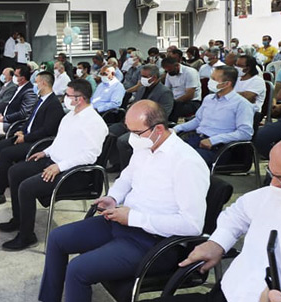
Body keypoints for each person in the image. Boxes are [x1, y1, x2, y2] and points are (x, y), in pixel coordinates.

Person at [39, 100, 210, 302]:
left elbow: (192, 225)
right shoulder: (146, 146)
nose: (131, 138)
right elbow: (126, 178)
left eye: (136, 133)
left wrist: (133, 218)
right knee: (57, 238)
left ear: (158, 129)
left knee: (78, 269)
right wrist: (113, 197)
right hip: (122, 221)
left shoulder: (186, 162)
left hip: (154, 242)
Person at [153, 134, 281, 302]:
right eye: (272, 174)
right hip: (224, 294)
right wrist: (218, 242)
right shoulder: (274, 196)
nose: (273, 186)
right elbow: (238, 213)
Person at [0, 79, 108, 251]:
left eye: (67, 95)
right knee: (15, 171)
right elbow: (60, 142)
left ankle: (27, 236)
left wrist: (60, 167)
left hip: (74, 173)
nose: (64, 98)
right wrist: (45, 152)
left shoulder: (94, 123)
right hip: (55, 162)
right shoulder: (70, 116)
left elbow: (90, 156)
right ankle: (18, 220)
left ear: (79, 99)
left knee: (26, 187)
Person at [0, 71, 64, 207]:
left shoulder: (53, 104)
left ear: (43, 83)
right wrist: (22, 131)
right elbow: (30, 119)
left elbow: (47, 130)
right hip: (28, 136)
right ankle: (6, 178)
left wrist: (25, 137)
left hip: (38, 142)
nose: (35, 85)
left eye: (36, 82)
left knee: (6, 153)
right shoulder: (41, 99)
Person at [173, 66, 254, 166]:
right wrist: (176, 129)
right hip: (198, 138)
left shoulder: (241, 104)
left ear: (227, 84)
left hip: (219, 147)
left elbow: (245, 133)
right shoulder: (209, 99)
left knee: (184, 161)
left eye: (214, 79)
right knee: (170, 154)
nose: (210, 81)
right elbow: (198, 120)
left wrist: (213, 140)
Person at [107, 64, 174, 171]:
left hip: (147, 127)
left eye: (145, 76)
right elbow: (134, 106)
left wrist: (140, 125)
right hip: (131, 122)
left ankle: (128, 170)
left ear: (154, 78)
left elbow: (163, 114)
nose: (142, 79)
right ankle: (116, 163)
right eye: (141, 76)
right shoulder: (142, 89)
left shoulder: (165, 92)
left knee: (123, 141)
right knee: (110, 133)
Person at [0, 65, 37, 156]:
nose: (13, 77)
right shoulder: (18, 87)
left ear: (22, 78)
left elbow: (23, 113)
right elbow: (10, 105)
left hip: (13, 122)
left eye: (16, 75)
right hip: (5, 116)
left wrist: (4, 118)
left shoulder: (29, 91)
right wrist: (1, 114)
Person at [162, 56, 202, 122]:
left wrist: (173, 102)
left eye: (170, 70)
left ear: (177, 65)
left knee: (174, 110)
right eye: (167, 70)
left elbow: (189, 95)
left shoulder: (190, 72)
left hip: (191, 102)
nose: (168, 72)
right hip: (175, 101)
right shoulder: (169, 73)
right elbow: (166, 90)